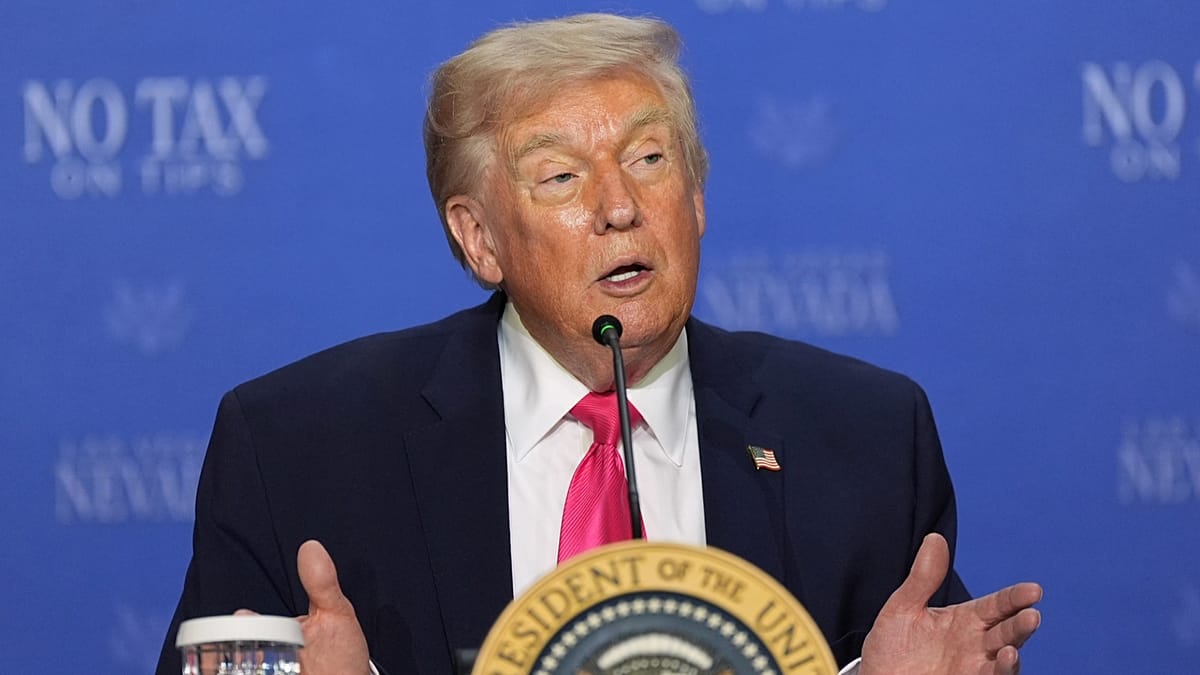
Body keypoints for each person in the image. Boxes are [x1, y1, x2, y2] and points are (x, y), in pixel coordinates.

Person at [157, 13, 1041, 675]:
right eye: (561, 177)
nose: (619, 205)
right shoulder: (298, 448)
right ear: (479, 239)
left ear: (696, 198)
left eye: (650, 159)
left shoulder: (864, 435)